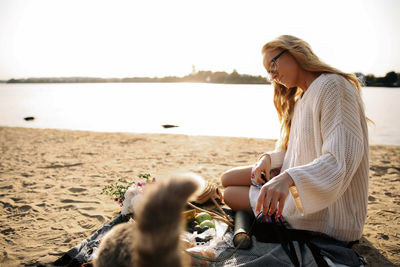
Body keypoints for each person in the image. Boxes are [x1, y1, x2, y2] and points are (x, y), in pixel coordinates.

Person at [221, 35, 369, 245]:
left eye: (273, 65)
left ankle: (280, 211)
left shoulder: (333, 86)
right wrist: (268, 159)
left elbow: (342, 157)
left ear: (294, 52)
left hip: (323, 210)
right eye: (268, 72)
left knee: (229, 194)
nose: (272, 75)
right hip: (297, 178)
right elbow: (295, 149)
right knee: (228, 178)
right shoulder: (302, 98)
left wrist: (289, 177)